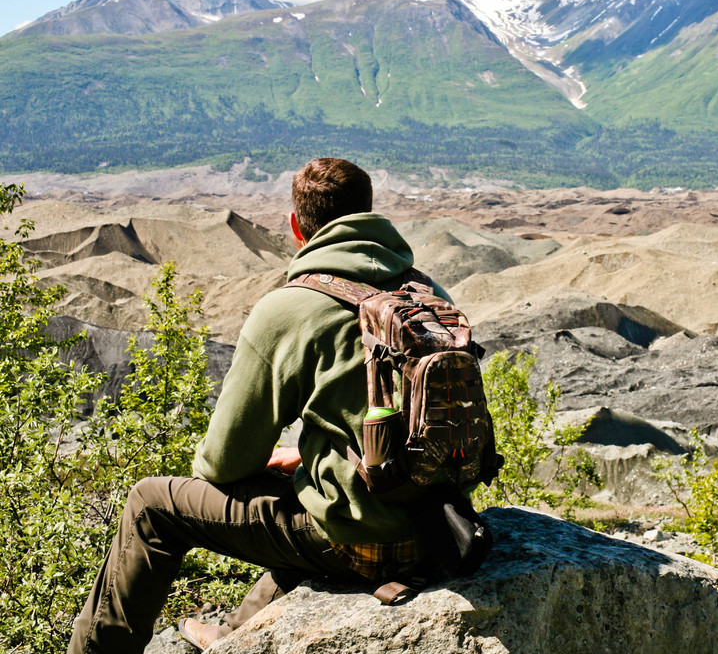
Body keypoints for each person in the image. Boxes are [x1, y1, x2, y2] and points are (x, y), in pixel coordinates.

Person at [69, 157, 454, 653]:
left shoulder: (291, 307)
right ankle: (236, 634)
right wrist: (314, 456)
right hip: (440, 523)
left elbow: (222, 462)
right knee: (301, 483)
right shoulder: (425, 293)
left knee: (151, 503)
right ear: (369, 213)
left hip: (362, 537)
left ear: (297, 226)